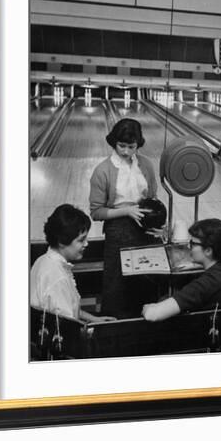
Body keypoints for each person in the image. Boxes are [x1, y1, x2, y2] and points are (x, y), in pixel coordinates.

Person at [89, 118, 160, 318]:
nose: (126, 151)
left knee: (146, 282)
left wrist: (156, 223)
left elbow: (153, 198)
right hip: (117, 232)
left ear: (138, 144)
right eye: (122, 146)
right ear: (114, 142)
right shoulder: (102, 171)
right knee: (116, 286)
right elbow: (96, 212)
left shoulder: (145, 164)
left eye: (131, 146)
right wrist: (127, 211)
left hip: (145, 230)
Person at [142, 219, 221, 322]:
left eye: (193, 243)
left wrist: (147, 307)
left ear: (208, 250)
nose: (189, 247)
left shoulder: (208, 283)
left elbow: (152, 315)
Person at [30, 204, 116, 322]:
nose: (86, 244)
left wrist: (94, 319)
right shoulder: (57, 278)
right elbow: (68, 327)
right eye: (81, 240)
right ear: (61, 241)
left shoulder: (43, 260)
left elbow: (68, 307)